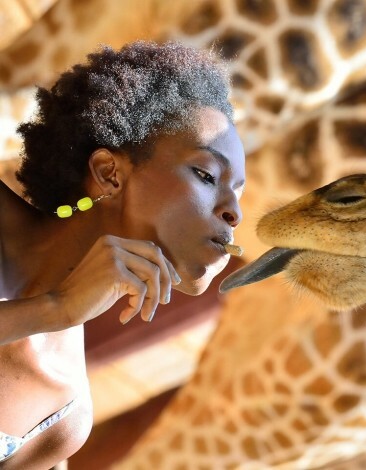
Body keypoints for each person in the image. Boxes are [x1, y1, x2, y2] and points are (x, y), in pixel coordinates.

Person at [0, 41, 245, 468]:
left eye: (238, 193)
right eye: (207, 174)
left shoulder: (62, 417)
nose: (234, 212)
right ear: (109, 173)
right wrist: (52, 309)